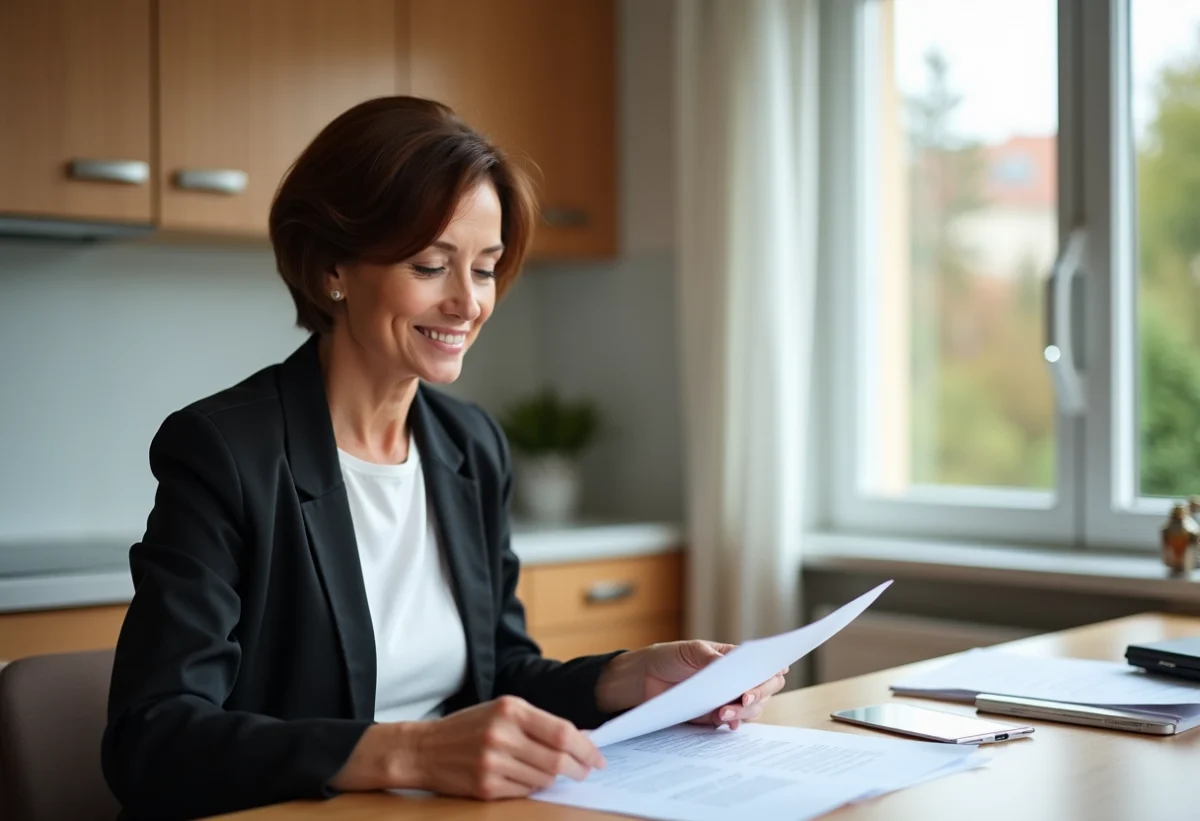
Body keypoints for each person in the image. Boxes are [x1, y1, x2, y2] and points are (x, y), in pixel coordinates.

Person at [100, 96, 787, 821]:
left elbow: (503, 675)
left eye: (485, 269)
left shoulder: (470, 446)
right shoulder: (226, 452)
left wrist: (634, 675)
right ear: (333, 264)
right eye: (431, 264)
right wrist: (413, 751)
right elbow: (153, 739)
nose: (467, 302)